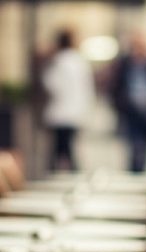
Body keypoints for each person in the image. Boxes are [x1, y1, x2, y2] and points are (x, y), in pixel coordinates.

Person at [41, 29, 95, 171]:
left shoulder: (58, 60)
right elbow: (87, 88)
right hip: (74, 112)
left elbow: (50, 84)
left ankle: (58, 174)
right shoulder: (80, 61)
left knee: (59, 149)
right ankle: (71, 172)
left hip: (60, 111)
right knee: (68, 147)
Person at [109, 33, 146, 173]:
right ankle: (134, 170)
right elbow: (117, 87)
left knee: (145, 146)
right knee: (134, 144)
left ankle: (142, 169)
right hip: (131, 112)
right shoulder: (125, 65)